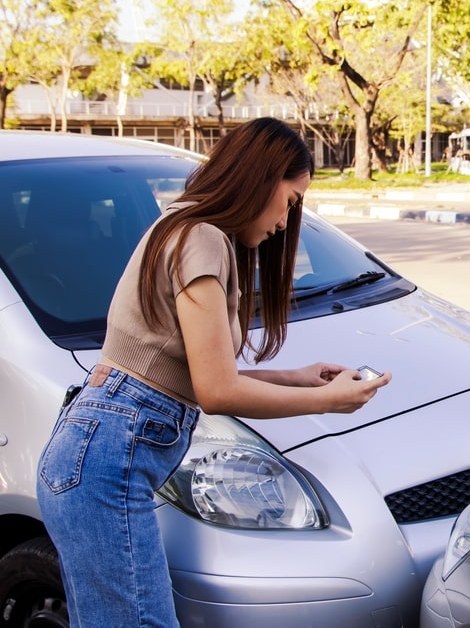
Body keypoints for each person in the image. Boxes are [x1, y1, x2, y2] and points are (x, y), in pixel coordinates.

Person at [36, 117, 391, 627]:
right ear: (259, 178)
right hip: (104, 463)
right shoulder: (202, 238)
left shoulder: (182, 228)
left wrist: (297, 377)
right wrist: (327, 402)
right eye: (291, 202)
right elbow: (218, 390)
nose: (288, 223)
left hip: (93, 452)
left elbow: (191, 372)